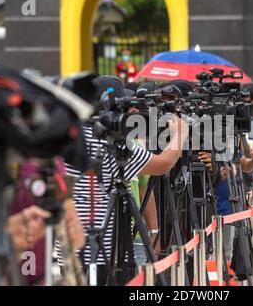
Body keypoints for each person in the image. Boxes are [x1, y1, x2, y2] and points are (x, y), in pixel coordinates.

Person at [64, 76, 189, 285]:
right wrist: (180, 134)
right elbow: (164, 164)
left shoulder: (68, 139)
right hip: (104, 254)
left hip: (67, 248)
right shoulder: (113, 143)